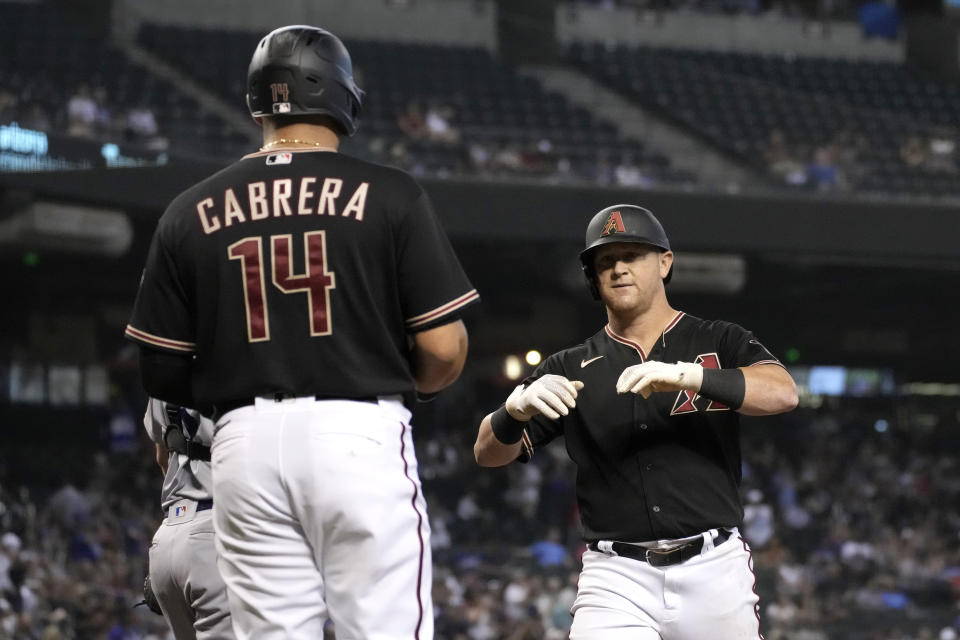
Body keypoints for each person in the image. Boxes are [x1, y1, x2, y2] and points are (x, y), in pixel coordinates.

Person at [125, 25, 478, 639]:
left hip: (240, 443)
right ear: (341, 97)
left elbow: (160, 370)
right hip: (356, 427)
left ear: (258, 101)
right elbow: (444, 349)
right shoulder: (389, 194)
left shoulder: (190, 209)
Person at [474, 204, 797, 639]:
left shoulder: (717, 339)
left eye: (632, 256)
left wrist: (692, 375)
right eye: (605, 261)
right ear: (593, 278)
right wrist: (513, 412)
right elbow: (487, 453)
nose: (618, 269)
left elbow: (782, 392)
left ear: (665, 263)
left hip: (714, 566)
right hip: (616, 575)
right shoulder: (570, 365)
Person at [142, 397, 234, 639]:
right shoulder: (241, 368)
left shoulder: (165, 366)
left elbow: (162, 457)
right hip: (214, 533)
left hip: (168, 534)